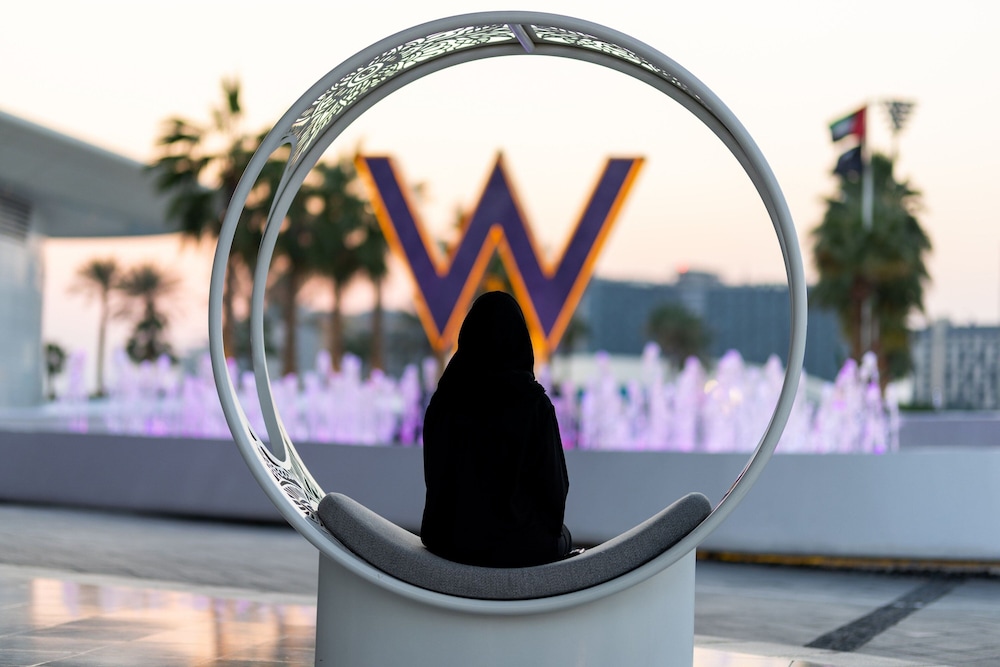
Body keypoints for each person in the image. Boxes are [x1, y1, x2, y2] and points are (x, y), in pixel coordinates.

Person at [420, 291, 572, 567]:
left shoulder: (445, 400)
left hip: (448, 541)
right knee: (564, 537)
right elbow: (555, 493)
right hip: (520, 548)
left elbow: (436, 479)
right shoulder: (533, 404)